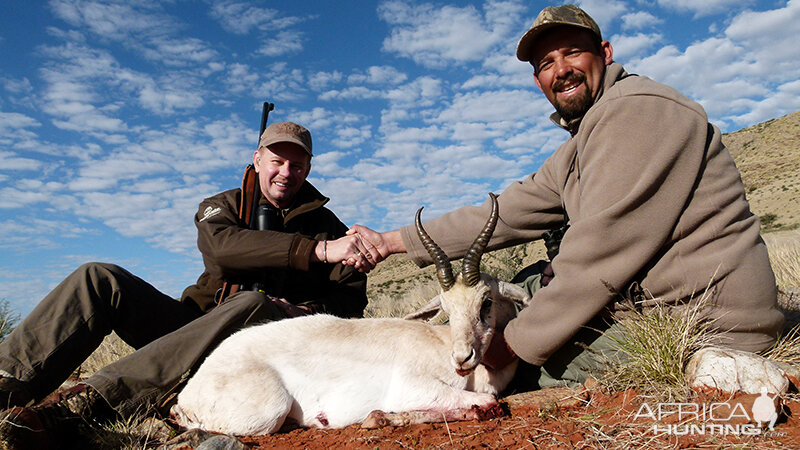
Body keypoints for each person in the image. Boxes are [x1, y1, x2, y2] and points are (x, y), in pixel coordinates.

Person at [348, 5, 784, 390]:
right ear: (537, 79)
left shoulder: (636, 111)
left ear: (605, 53)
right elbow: (506, 213)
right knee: (527, 281)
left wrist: (510, 346)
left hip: (700, 323)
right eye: (546, 63)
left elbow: (599, 254)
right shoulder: (584, 140)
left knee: (501, 373)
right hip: (657, 309)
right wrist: (391, 242)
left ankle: (706, 368)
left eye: (573, 52)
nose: (561, 70)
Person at [0, 121, 375, 445]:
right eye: (277, 161)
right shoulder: (226, 205)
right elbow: (221, 248)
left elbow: (348, 309)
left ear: (308, 168)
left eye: (296, 164)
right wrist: (319, 251)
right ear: (258, 159)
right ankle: (8, 382)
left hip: (262, 353)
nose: (285, 172)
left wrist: (304, 313)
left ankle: (85, 407)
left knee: (254, 305)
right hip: (193, 327)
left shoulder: (331, 226)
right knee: (98, 277)